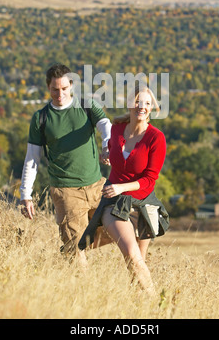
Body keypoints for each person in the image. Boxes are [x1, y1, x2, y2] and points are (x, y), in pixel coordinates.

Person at [79, 85, 169, 293]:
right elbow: (112, 152)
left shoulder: (156, 138)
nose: (142, 107)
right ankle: (158, 305)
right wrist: (106, 155)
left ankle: (140, 307)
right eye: (138, 101)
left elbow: (149, 180)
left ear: (152, 108)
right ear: (130, 104)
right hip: (114, 202)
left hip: (144, 204)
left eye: (147, 103)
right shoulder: (117, 129)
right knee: (132, 254)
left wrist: (122, 187)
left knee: (137, 264)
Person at [20, 63, 112, 264]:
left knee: (123, 229)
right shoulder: (41, 118)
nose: (59, 94)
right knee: (76, 251)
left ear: (71, 85)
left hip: (97, 186)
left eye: (63, 88)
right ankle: (75, 263)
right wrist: (25, 195)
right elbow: (32, 158)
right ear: (48, 88)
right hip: (66, 192)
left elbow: (105, 124)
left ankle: (71, 247)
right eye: (55, 89)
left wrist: (107, 145)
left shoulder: (87, 106)